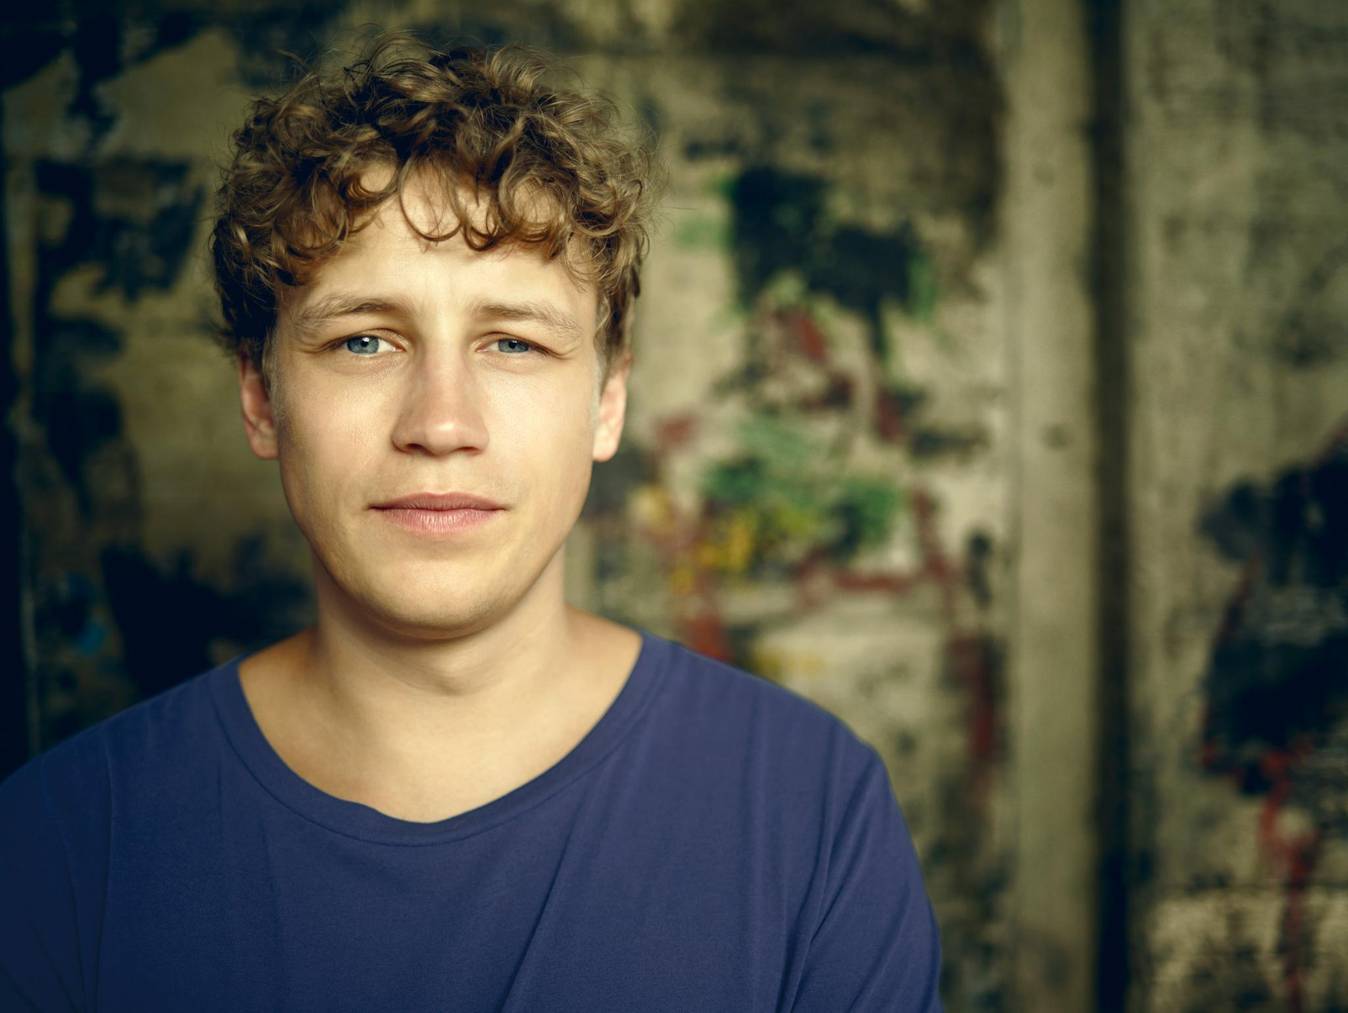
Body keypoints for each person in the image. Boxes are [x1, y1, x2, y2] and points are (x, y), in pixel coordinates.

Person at [0, 35, 941, 1011]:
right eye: (365, 341)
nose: (441, 422)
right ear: (260, 396)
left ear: (607, 401)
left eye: (513, 343)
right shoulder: (56, 848)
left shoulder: (811, 810)